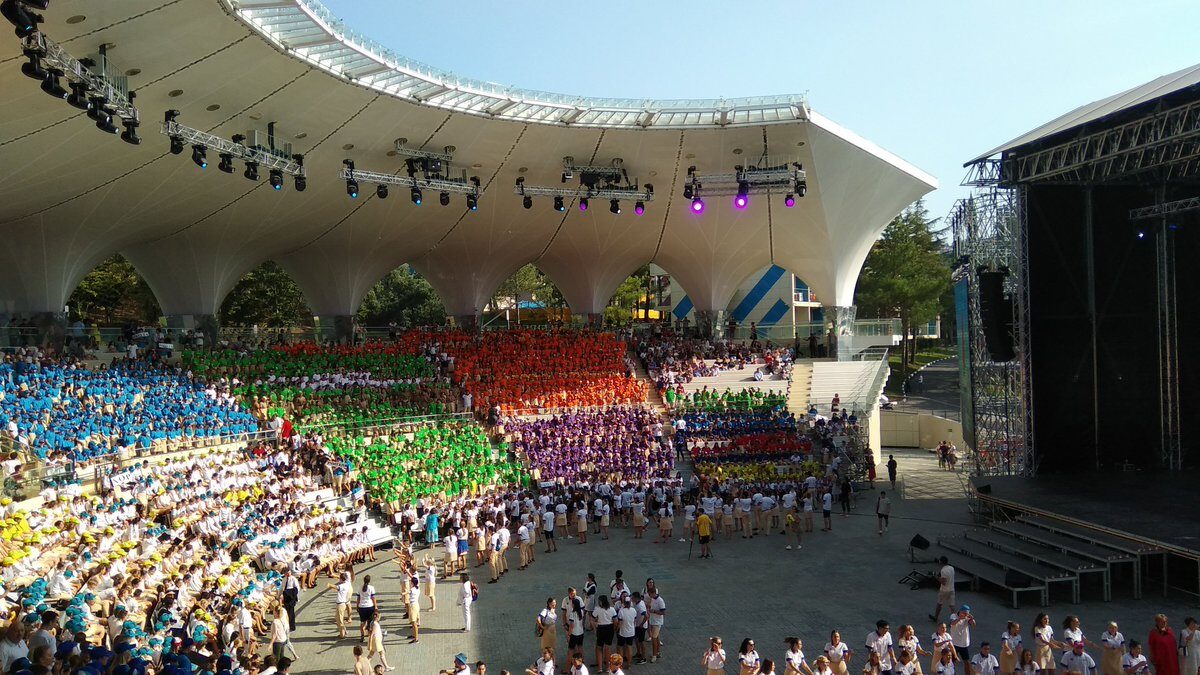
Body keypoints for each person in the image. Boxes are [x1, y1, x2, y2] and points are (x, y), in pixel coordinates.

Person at [592, 595, 616, 670]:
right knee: (608, 648)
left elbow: (592, 619)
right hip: (609, 628)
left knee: (599, 648)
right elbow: (615, 620)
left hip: (601, 628)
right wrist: (614, 629)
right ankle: (608, 667)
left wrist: (594, 629)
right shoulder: (612, 609)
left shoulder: (597, 609)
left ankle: (600, 667)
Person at [328, 571, 354, 639]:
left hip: (341, 604)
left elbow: (336, 587)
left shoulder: (343, 585)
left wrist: (330, 585)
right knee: (338, 619)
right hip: (340, 604)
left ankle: (342, 634)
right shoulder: (346, 584)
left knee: (340, 620)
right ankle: (344, 631)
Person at [931, 558, 955, 622]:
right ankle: (955, 620)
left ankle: (936, 617)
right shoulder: (951, 568)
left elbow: (943, 582)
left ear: (941, 562)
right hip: (952, 589)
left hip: (944, 590)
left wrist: (937, 577)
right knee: (952, 605)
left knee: (939, 603)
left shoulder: (943, 571)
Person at [646, 586, 666, 663]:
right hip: (653, 620)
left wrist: (653, 611)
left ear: (653, 593)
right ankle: (658, 652)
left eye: (650, 594)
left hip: (657, 623)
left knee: (654, 638)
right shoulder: (653, 599)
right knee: (657, 637)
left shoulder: (660, 601)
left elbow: (663, 612)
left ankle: (654, 655)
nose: (649, 596)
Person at [536, 598, 558, 663]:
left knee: (553, 647)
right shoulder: (545, 611)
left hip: (553, 632)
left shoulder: (553, 609)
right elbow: (538, 619)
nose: (554, 604)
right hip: (547, 632)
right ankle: (545, 661)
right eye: (553, 603)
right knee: (546, 648)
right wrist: (542, 627)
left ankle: (553, 662)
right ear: (549, 603)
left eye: (555, 603)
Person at [357, 575, 378, 643]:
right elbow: (373, 598)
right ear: (369, 581)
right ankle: (370, 637)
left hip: (362, 607)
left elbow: (358, 598)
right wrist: (376, 606)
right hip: (369, 606)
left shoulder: (360, 588)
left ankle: (362, 635)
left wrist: (357, 606)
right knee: (370, 623)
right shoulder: (371, 588)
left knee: (362, 622)